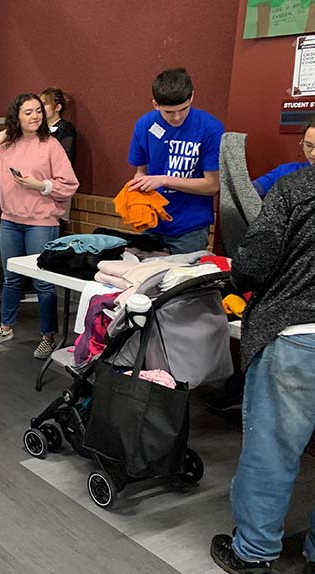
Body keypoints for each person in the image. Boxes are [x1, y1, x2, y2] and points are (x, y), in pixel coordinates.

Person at [209, 165, 315, 574]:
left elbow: (255, 261)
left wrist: (233, 280)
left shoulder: (298, 188)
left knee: (272, 451)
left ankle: (253, 552)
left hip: (297, 334)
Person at [0, 93, 79, 359]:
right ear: (16, 117)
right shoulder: (8, 145)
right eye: (28, 112)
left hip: (41, 224)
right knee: (11, 279)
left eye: (37, 111)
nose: (34, 116)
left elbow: (69, 185)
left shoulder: (51, 145)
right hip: (10, 221)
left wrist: (40, 185)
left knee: (43, 282)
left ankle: (48, 336)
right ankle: (6, 326)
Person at [128, 67, 224, 254]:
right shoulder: (144, 125)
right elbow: (141, 171)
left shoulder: (210, 128)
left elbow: (212, 186)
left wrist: (164, 180)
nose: (177, 117)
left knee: (184, 283)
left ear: (192, 97)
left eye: (183, 109)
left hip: (189, 229)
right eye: (169, 112)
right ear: (155, 104)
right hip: (152, 223)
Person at [252, 122, 315, 198]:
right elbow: (248, 192)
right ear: (302, 143)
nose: (313, 153)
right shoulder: (285, 171)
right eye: (309, 145)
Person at [40, 87, 76, 164]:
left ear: (58, 107)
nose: (40, 108)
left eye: (44, 104)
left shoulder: (66, 129)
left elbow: (64, 159)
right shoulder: (39, 128)